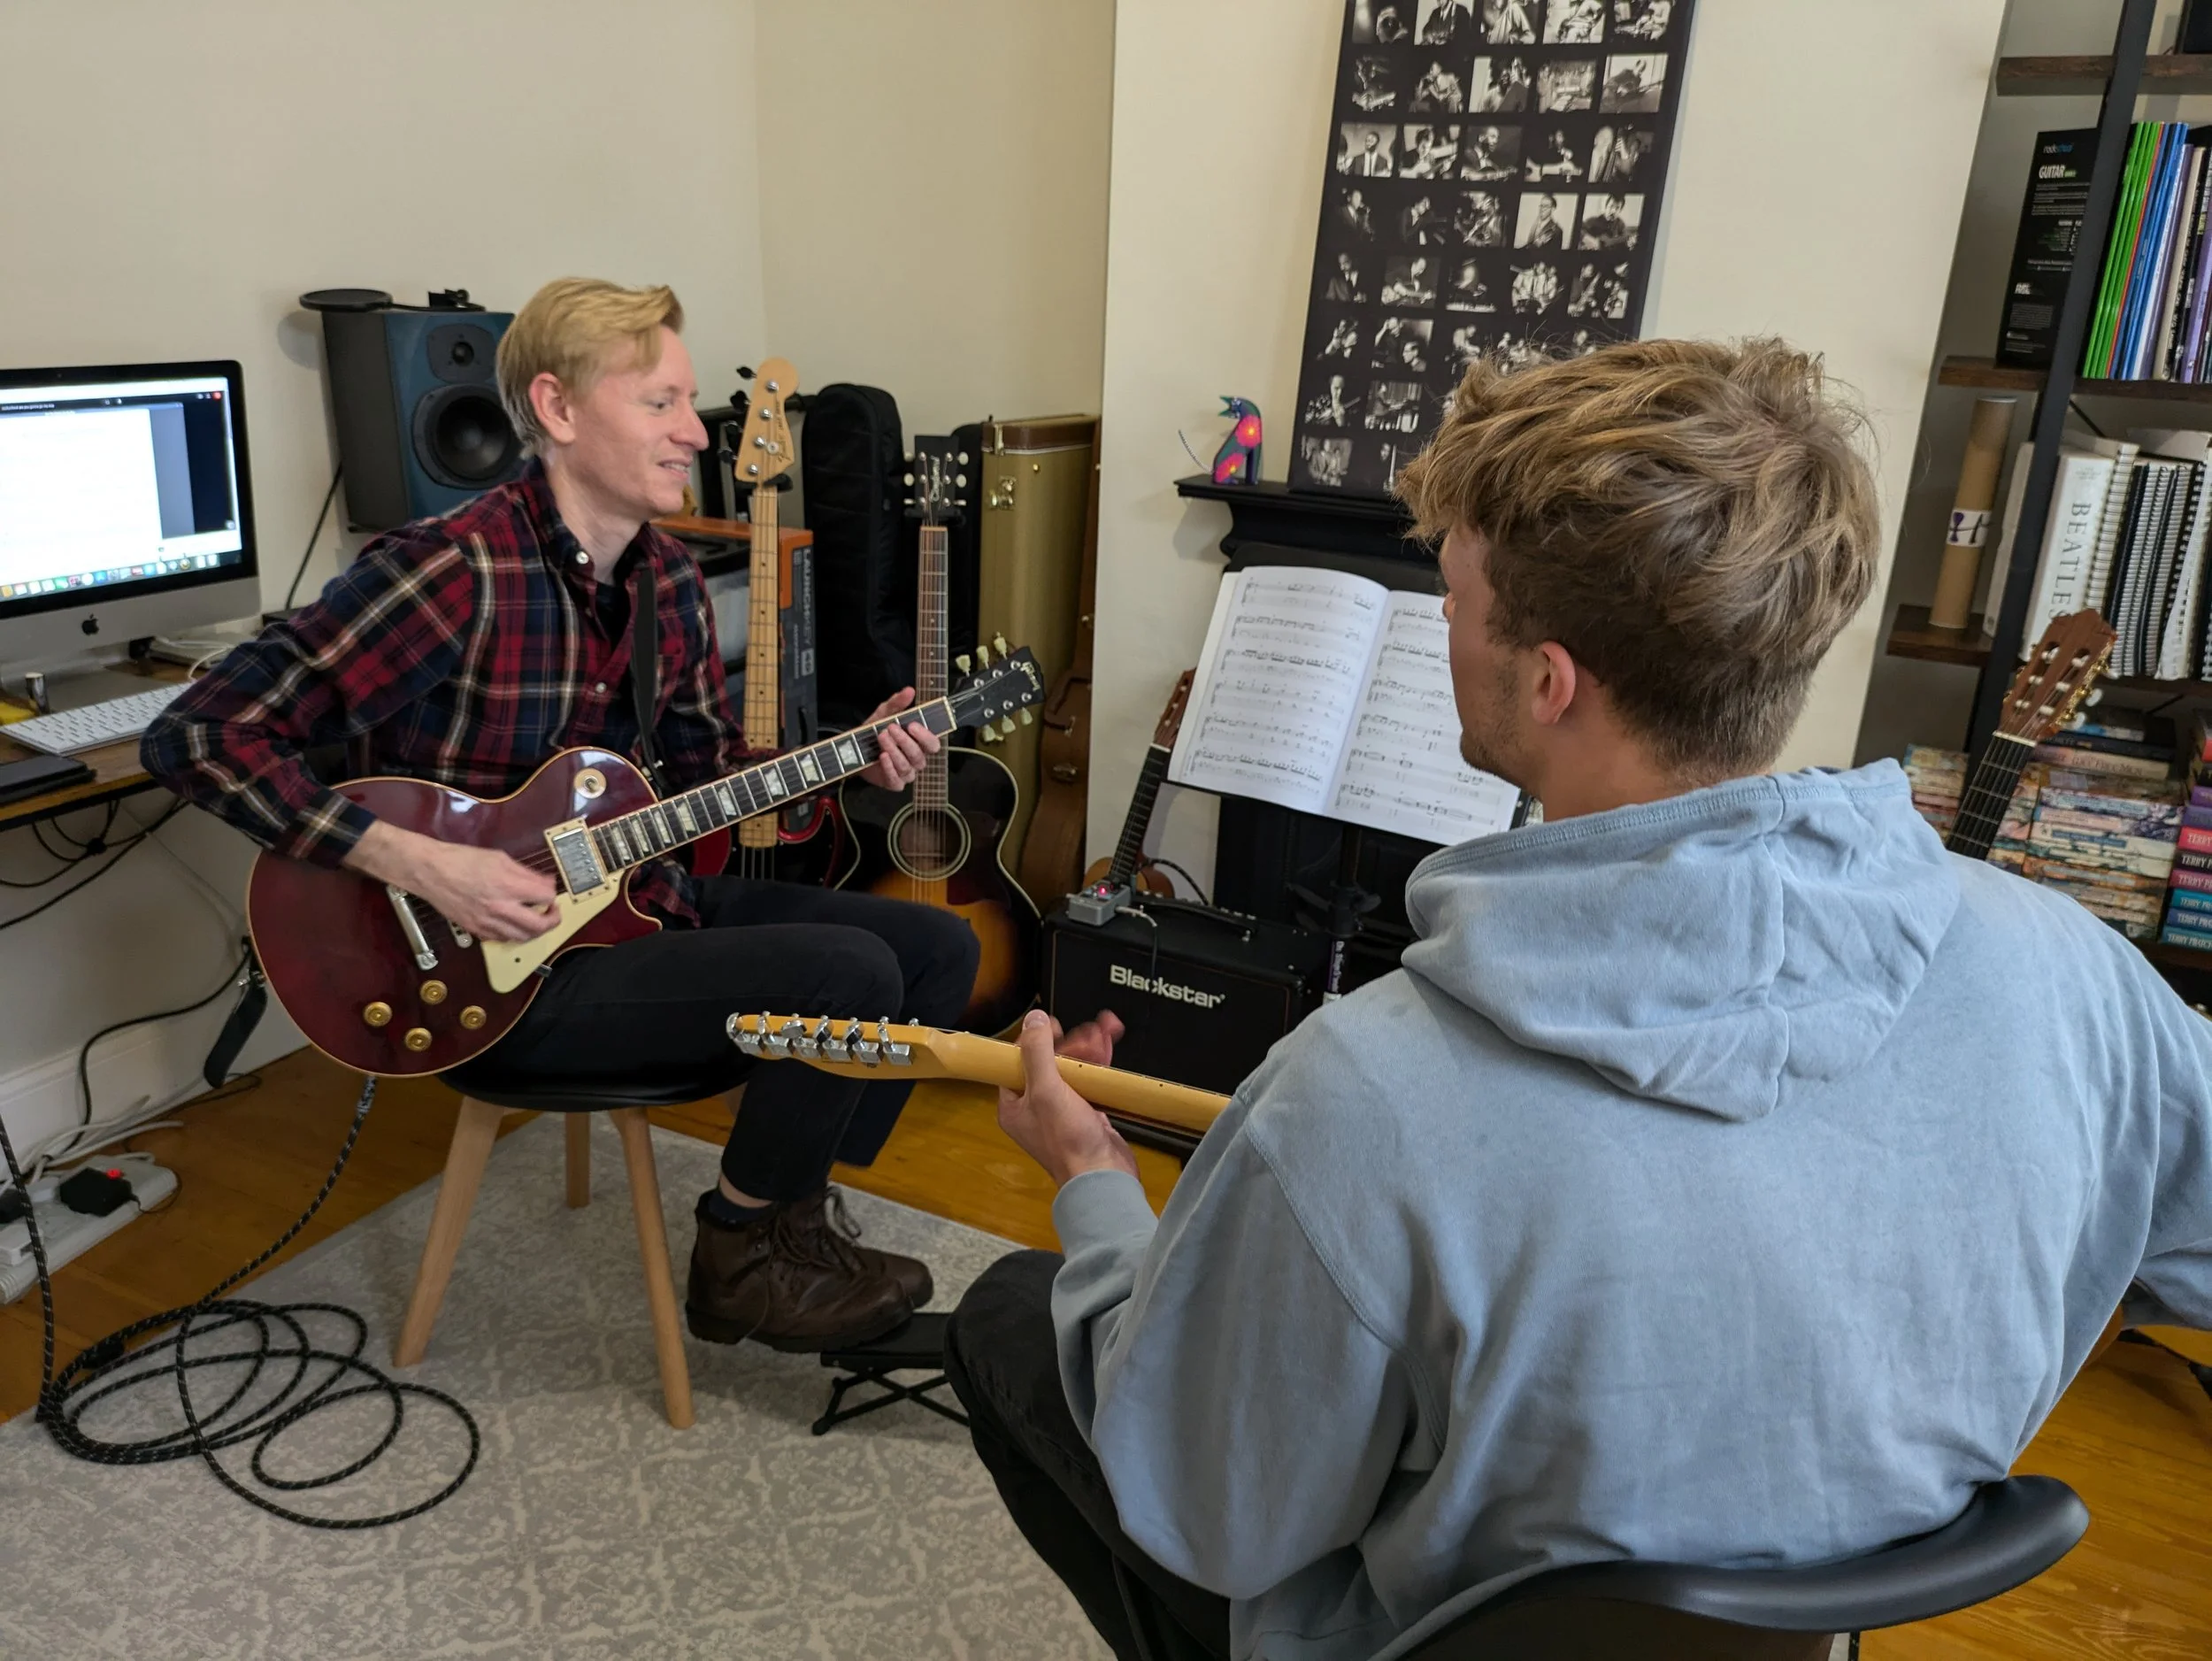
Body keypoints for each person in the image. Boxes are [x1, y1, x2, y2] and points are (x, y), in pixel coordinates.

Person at [944, 335, 2212, 1661]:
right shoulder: (2071, 974)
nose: (1439, 619)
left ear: (1549, 681)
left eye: (1451, 594)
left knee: (1015, 1316)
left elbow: (1209, 1517)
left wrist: (1095, 1185)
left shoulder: (1359, 1095)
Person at [142, 278, 983, 1355]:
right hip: (484, 975)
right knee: (846, 974)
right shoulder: (449, 572)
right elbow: (199, 735)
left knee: (929, 947)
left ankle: (791, 1208)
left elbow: (706, 773)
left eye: (689, 403)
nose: (694, 433)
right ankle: (740, 1252)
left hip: (626, 905)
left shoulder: (668, 581)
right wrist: (425, 865)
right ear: (557, 407)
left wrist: (856, 759)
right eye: (661, 403)